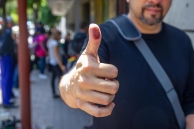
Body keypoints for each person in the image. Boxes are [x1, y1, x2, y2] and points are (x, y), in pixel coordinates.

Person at [59, 0, 194, 129]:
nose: (155, 0)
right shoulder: (104, 36)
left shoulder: (182, 41)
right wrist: (73, 86)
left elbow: (190, 100)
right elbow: (74, 79)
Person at [0, 17, 15, 108]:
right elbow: (3, 46)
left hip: (6, 57)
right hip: (6, 57)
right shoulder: (7, 32)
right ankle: (6, 101)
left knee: (6, 78)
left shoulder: (5, 32)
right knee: (6, 78)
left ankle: (7, 99)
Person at [47, 30, 66, 98]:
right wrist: (61, 65)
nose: (60, 37)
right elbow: (57, 55)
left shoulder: (50, 41)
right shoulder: (55, 43)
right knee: (60, 78)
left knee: (53, 78)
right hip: (56, 62)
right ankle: (61, 93)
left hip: (52, 62)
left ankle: (54, 92)